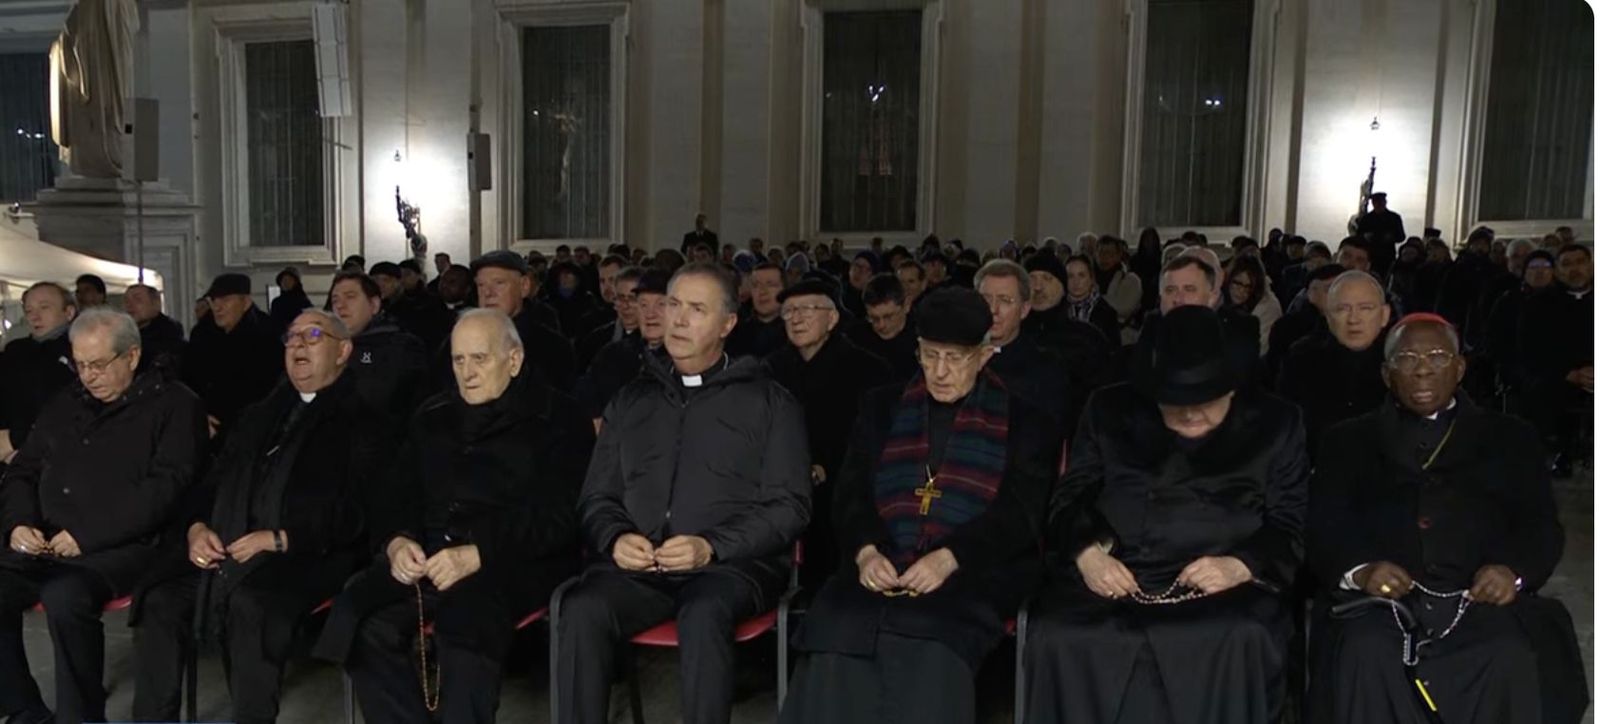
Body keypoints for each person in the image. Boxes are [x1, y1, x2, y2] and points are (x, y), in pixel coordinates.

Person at [782, 288, 1061, 724]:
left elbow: (1020, 513)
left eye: (955, 359)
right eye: (930, 356)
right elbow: (850, 491)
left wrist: (949, 558)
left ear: (984, 356)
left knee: (930, 633)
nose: (941, 372)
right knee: (838, 623)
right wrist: (866, 551)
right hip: (885, 557)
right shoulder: (881, 407)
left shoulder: (1024, 420)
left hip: (976, 567)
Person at [1025, 305, 1309, 724]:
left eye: (1205, 400)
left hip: (1224, 591)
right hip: (1115, 578)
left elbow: (1291, 523)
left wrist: (1239, 566)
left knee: (1242, 638)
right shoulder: (1109, 409)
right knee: (1059, 635)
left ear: (1231, 388)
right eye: (1176, 402)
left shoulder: (1277, 421)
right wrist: (1088, 554)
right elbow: (1068, 499)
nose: (1191, 413)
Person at [557, 264, 810, 724]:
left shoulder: (770, 402)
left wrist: (710, 546)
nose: (678, 319)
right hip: (644, 568)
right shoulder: (633, 399)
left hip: (732, 568)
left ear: (728, 324)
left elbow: (790, 506)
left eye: (697, 309)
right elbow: (596, 495)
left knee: (703, 611)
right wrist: (615, 538)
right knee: (581, 607)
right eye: (674, 305)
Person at [317, 309, 593, 723]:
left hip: (511, 561)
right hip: (428, 557)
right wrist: (397, 540)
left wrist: (478, 551)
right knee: (363, 620)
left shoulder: (561, 418)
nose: (467, 373)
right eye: (458, 361)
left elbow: (561, 516)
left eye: (479, 359)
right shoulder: (432, 414)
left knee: (466, 624)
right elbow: (394, 495)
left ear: (514, 360)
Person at [1307, 314, 1584, 724]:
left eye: (1437, 356)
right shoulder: (1346, 440)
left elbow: (1540, 525)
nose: (1422, 369)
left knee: (1508, 652)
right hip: (1382, 607)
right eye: (1408, 358)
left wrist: (1514, 572)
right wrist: (1361, 571)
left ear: (1460, 368)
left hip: (1478, 601)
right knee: (1364, 652)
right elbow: (1321, 526)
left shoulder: (1512, 437)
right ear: (1386, 374)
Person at [131, 310, 384, 724]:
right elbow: (210, 483)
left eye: (313, 335)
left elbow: (361, 511)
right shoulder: (258, 414)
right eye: (292, 336)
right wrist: (197, 528)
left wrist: (279, 538)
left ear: (344, 351)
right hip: (231, 543)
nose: (298, 344)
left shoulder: (367, 419)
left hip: (307, 551)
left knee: (251, 605)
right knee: (162, 599)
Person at [0, 309, 207, 724]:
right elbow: (24, 468)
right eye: (79, 365)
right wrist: (19, 523)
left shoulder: (176, 404)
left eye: (98, 364)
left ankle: (81, 717)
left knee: (65, 597)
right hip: (46, 539)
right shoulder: (67, 400)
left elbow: (166, 489)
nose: (88, 376)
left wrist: (87, 535)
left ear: (131, 357)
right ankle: (23, 710)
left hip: (128, 544)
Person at [765, 279, 891, 588]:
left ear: (832, 318)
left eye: (807, 309)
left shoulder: (869, 370)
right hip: (782, 486)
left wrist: (826, 468)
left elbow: (874, 444)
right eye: (789, 311)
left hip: (844, 488)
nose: (796, 318)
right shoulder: (769, 370)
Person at [1277, 270, 1393, 459]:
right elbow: (1286, 429)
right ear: (1328, 316)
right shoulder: (1301, 359)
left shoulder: (1401, 362)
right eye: (1342, 309)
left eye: (1365, 308)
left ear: (1384, 315)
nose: (1354, 319)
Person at [1517, 244, 1593, 477]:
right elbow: (1530, 348)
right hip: (1559, 376)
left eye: (1580, 262)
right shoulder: (1539, 305)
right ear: (1558, 271)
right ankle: (1562, 453)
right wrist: (1568, 373)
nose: (1575, 270)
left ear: (1591, 265)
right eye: (1567, 265)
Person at [977, 260, 1076, 433]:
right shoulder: (955, 357)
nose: (993, 309)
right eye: (985, 299)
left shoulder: (1046, 368)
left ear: (1024, 310)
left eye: (1005, 300)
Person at [183, 273, 284, 442]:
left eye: (225, 300)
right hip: (205, 431)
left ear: (245, 302)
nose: (217, 307)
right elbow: (188, 379)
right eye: (213, 300)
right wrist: (198, 416)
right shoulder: (202, 334)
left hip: (252, 434)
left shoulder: (267, 337)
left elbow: (271, 392)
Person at [329, 271, 432, 433]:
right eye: (335, 300)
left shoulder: (402, 347)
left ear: (374, 305)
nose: (340, 305)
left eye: (350, 297)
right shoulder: (328, 347)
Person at [468, 250, 577, 391]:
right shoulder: (461, 341)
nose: (488, 293)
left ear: (524, 286)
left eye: (499, 283)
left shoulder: (552, 347)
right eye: (481, 285)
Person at [575, 269, 669, 426]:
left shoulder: (688, 359)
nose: (650, 314)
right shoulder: (611, 354)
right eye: (644, 305)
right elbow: (585, 394)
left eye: (660, 304)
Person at [0, 283, 79, 464]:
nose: (35, 316)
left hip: (59, 455)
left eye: (45, 308)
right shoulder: (15, 351)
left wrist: (16, 439)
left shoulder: (80, 351)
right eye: (28, 311)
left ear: (68, 312)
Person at [1021, 253, 1115, 390]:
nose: (1038, 287)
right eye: (1031, 279)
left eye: (1047, 278)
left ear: (1063, 288)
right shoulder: (1011, 334)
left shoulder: (1088, 338)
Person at [1485, 249, 1555, 400]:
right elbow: (1495, 337)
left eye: (1545, 267)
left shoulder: (1562, 301)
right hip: (1516, 376)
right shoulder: (1508, 300)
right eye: (1534, 267)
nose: (1539, 272)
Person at [1264, 264, 1346, 387]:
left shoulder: (1355, 325)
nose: (1337, 296)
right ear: (1310, 293)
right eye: (1329, 289)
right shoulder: (1287, 327)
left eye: (1342, 290)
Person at [847, 273, 921, 382]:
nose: (881, 325)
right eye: (873, 318)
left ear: (907, 305)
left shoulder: (924, 339)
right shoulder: (853, 339)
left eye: (888, 316)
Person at [577, 265, 641, 371]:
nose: (625, 305)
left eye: (632, 298)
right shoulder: (596, 340)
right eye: (620, 298)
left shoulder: (657, 342)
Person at [1223, 255, 1284, 356]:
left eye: (1249, 286)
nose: (1242, 291)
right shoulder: (1219, 296)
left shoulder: (1268, 307)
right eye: (1237, 283)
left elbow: (1257, 352)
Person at [123, 283, 185, 379]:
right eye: (126, 301)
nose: (129, 305)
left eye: (137, 299)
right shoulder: (123, 335)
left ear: (156, 303)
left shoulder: (170, 337)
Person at [727, 263, 787, 358]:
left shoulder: (794, 334)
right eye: (756, 285)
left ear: (784, 290)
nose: (763, 291)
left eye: (770, 285)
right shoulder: (734, 332)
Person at [1094, 237, 1144, 345]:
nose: (1104, 257)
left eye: (1109, 253)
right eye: (1101, 252)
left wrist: (1096, 298)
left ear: (1118, 255)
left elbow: (1124, 308)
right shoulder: (1089, 279)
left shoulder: (1130, 279)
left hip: (1122, 338)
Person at [1061, 255, 1121, 345]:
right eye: (1070, 276)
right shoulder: (1055, 308)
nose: (1076, 282)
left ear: (1091, 279)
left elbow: (1113, 351)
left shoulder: (1107, 312)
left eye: (1081, 275)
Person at [1356, 191, 1406, 276]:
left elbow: (1401, 236)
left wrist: (1391, 237)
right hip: (1371, 255)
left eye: (1381, 202)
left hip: (1387, 256)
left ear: (1385, 202)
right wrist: (1365, 237)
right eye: (1376, 202)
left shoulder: (1394, 218)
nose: (1378, 204)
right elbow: (1358, 237)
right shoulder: (1366, 219)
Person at [267, 267, 312, 334]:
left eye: (289, 280)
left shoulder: (303, 301)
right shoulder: (276, 302)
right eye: (283, 280)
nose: (285, 282)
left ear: (295, 282)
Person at [842, 252, 878, 318]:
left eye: (865, 269)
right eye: (856, 265)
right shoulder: (837, 293)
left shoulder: (874, 300)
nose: (859, 271)